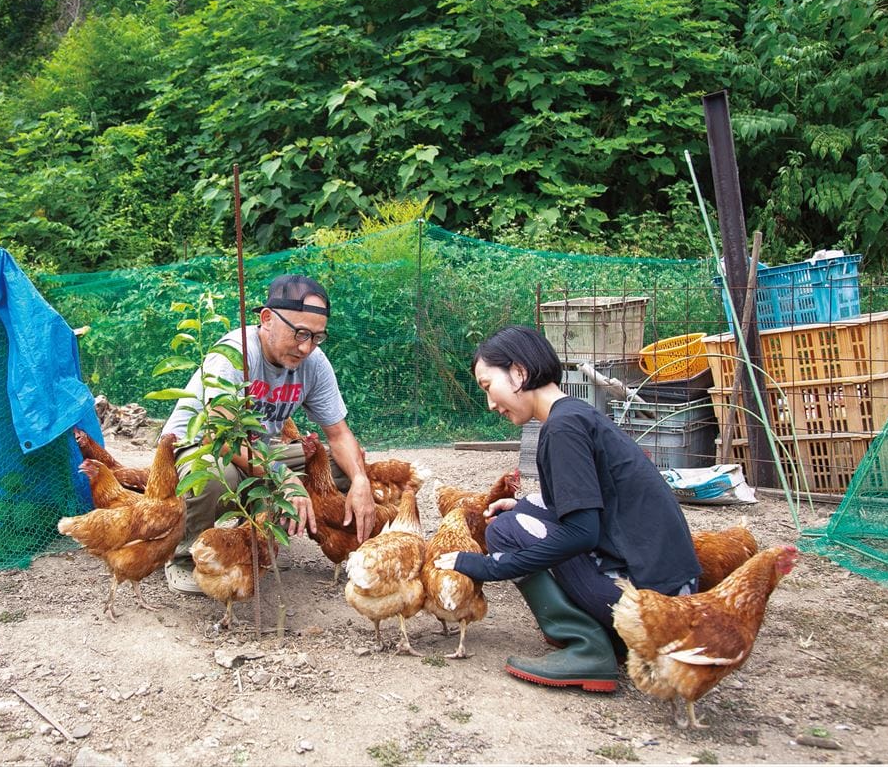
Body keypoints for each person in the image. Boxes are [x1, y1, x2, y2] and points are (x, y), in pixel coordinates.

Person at [434, 325, 700, 692]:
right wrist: (525, 503)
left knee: (505, 530)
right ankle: (609, 640)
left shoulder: (562, 429)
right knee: (516, 516)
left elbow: (581, 532)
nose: (490, 403)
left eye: (486, 387)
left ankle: (588, 648)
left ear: (518, 373)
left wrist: (484, 565)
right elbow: (591, 503)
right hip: (673, 594)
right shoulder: (575, 415)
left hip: (651, 608)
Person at [161, 274, 374, 594]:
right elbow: (221, 439)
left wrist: (360, 480)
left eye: (317, 337)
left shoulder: (314, 362)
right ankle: (184, 555)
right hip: (202, 449)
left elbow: (339, 434)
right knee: (216, 475)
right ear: (267, 319)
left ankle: (260, 538)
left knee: (338, 470)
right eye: (299, 333)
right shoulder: (234, 354)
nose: (306, 347)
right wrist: (281, 475)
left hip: (259, 450)